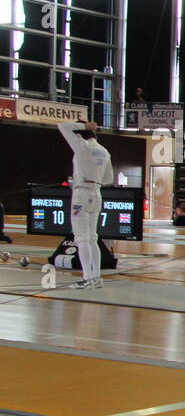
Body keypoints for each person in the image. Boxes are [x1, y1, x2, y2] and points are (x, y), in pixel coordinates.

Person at [57, 119, 114, 290]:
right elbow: (108, 179)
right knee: (92, 237)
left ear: (82, 135)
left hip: (81, 194)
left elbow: (62, 126)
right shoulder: (104, 151)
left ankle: (86, 278)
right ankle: (96, 278)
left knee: (82, 238)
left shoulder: (82, 146)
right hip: (96, 193)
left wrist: (83, 126)